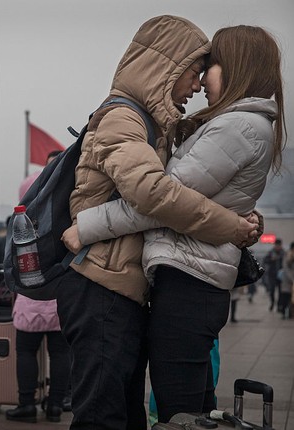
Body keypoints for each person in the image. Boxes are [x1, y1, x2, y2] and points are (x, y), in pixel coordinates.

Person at [65, 25, 284, 424]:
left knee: (173, 413)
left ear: (236, 67)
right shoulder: (128, 119)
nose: (199, 83)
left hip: (171, 283)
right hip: (111, 282)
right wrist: (232, 224)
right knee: (139, 411)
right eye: (195, 70)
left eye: (209, 67)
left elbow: (158, 198)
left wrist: (88, 225)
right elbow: (158, 196)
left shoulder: (236, 126)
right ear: (170, 68)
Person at [6, 150, 71, 423]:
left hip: (30, 293)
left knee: (25, 350)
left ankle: (26, 404)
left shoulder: (26, 209)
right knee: (60, 353)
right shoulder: (66, 204)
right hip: (57, 292)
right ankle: (55, 406)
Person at [264, 239, 285, 311]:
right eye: (277, 245)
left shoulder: (283, 253)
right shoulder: (270, 252)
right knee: (272, 290)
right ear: (275, 245)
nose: (278, 247)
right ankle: (272, 302)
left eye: (279, 245)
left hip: (281, 276)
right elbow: (265, 260)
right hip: (272, 275)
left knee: (281, 291)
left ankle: (279, 305)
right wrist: (271, 259)